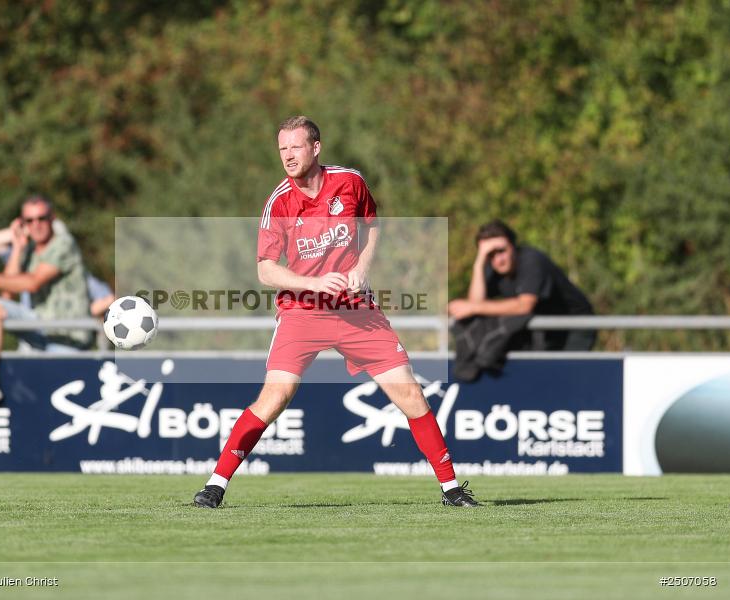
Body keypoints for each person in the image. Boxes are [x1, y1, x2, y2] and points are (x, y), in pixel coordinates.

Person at [192, 116, 480, 509]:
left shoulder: (350, 182)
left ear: (316, 148)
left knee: (411, 395)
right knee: (275, 397)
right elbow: (265, 270)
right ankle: (214, 485)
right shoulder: (280, 202)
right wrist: (313, 283)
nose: (288, 156)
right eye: (282, 149)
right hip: (302, 312)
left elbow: (373, 225)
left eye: (295, 147)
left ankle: (451, 490)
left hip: (356, 311)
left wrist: (362, 268)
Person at [0, 196, 94, 404]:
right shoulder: (29, 250)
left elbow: (33, 283)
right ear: (23, 223)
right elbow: (7, 296)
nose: (36, 225)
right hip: (40, 331)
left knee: (55, 407)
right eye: (29, 221)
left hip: (66, 336)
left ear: (52, 219)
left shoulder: (63, 244)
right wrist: (18, 247)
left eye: (42, 218)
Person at [448, 219, 595, 358]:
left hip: (575, 327)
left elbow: (525, 305)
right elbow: (476, 303)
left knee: (566, 376)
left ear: (513, 246)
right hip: (543, 330)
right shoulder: (492, 266)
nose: (498, 259)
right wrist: (479, 263)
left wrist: (473, 308)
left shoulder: (531, 260)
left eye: (501, 250)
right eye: (490, 254)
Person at [0, 219, 116, 318]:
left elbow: (109, 299)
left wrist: (77, 315)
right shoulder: (27, 262)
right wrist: (32, 229)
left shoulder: (76, 274)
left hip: (60, 340)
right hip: (31, 338)